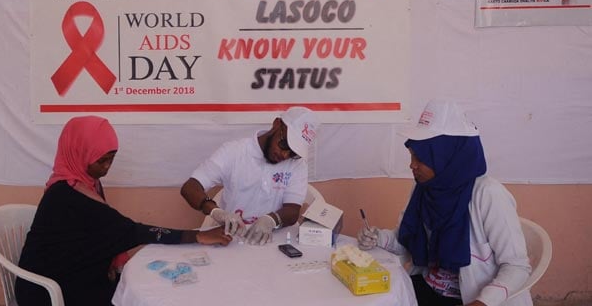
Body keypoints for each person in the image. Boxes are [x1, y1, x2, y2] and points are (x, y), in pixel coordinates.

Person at [15, 116, 232, 306]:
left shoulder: (86, 183)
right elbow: (130, 231)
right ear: (79, 153)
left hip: (75, 270)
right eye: (102, 160)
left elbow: (110, 231)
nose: (107, 167)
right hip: (48, 289)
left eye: (111, 159)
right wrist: (198, 236)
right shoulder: (66, 195)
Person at [357, 99, 532, 306]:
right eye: (412, 156)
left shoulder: (488, 195)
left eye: (420, 158)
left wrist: (484, 302)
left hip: (472, 298)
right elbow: (407, 243)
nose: (411, 165)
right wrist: (378, 238)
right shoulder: (424, 188)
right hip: (428, 287)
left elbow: (517, 267)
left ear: (447, 156)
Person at [180, 106, 320, 245]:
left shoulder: (297, 165)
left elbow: (292, 210)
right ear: (277, 124)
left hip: (274, 239)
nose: (285, 155)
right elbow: (190, 188)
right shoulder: (233, 152)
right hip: (232, 238)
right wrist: (215, 211)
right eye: (284, 144)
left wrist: (271, 220)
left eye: (293, 153)